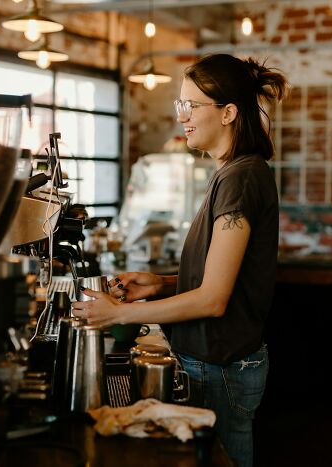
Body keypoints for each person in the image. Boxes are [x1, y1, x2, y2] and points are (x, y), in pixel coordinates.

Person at [71, 53, 288, 467]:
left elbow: (213, 300)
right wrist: (160, 283)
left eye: (192, 106)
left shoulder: (241, 177)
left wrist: (117, 314)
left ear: (228, 113)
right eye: (180, 105)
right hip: (215, 363)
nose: (182, 117)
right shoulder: (231, 172)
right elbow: (222, 280)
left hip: (221, 367)